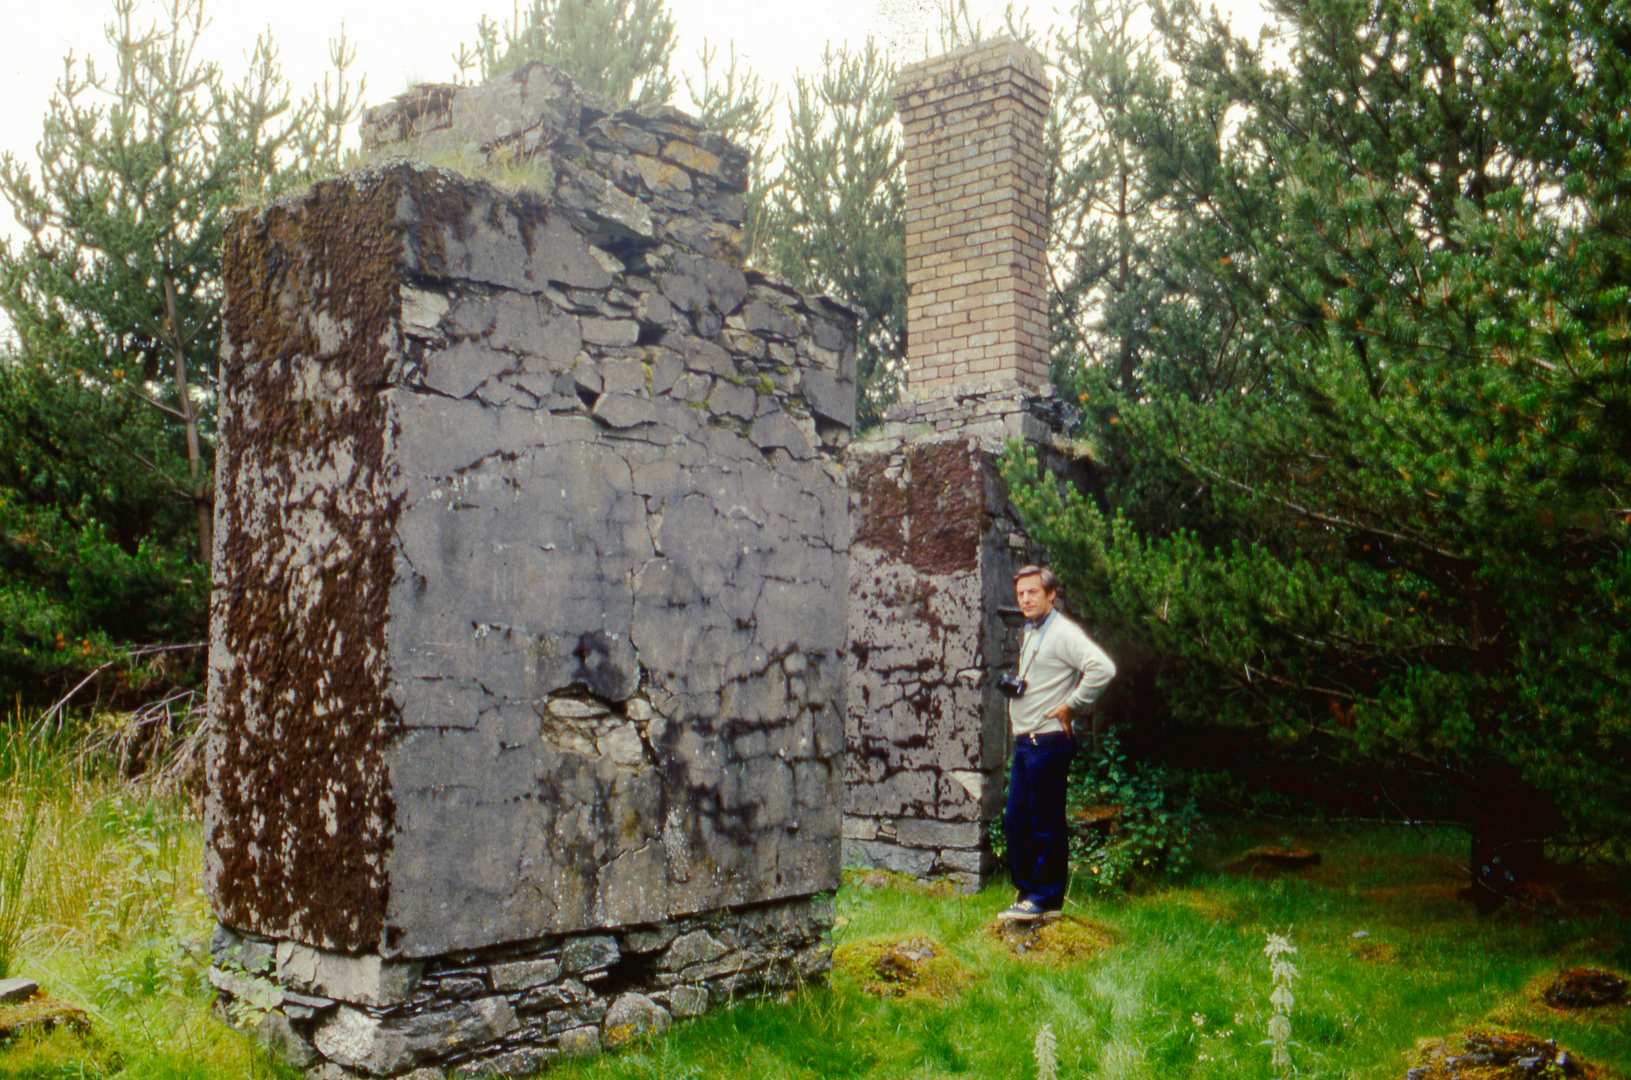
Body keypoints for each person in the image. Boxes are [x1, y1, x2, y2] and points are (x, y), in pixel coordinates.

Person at [998, 565, 1117, 922]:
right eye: (1020, 594)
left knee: (1044, 821)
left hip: (1048, 743)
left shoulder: (1063, 632)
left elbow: (1102, 668)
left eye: (1033, 592)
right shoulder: (1032, 632)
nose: (1026, 599)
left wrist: (1072, 706)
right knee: (1016, 819)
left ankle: (1046, 898)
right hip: (1027, 743)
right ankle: (1027, 893)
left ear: (1051, 594)